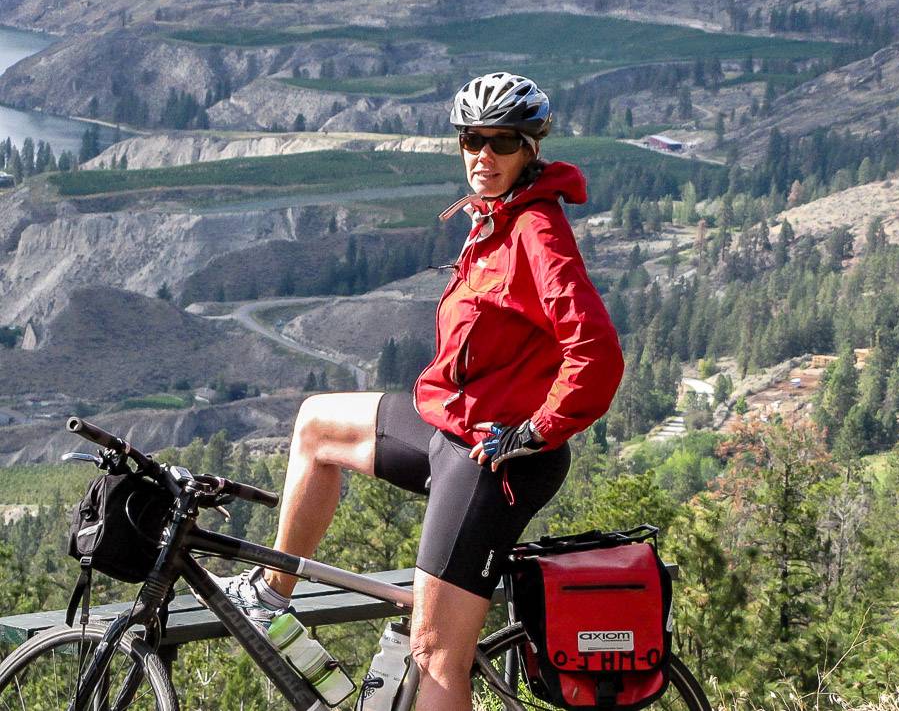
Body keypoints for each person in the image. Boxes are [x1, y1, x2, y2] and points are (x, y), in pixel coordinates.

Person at [215, 71, 624, 710]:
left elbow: (595, 352)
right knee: (316, 425)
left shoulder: (536, 231)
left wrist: (538, 429)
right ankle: (273, 589)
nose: (483, 156)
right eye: (471, 140)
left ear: (530, 149)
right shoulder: (493, 217)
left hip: (496, 459)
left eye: (501, 141)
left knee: (433, 654)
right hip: (452, 425)